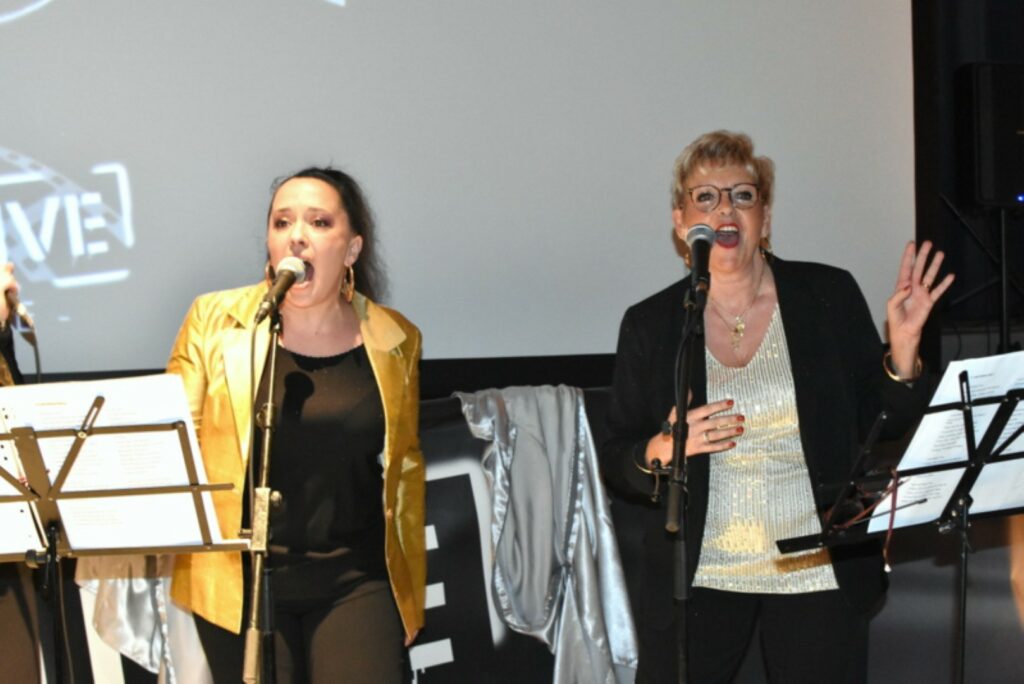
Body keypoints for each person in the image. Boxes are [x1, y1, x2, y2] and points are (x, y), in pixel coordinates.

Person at [600, 131, 954, 683]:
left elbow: (881, 423)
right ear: (681, 222)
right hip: (701, 573)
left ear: (764, 219)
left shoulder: (827, 295)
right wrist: (663, 449)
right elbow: (617, 457)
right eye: (705, 197)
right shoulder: (652, 324)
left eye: (742, 195)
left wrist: (904, 353)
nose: (725, 209)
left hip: (816, 565)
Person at [167, 167, 425, 682]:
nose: (297, 236)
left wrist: (410, 589)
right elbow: (175, 447)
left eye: (319, 222)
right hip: (241, 586)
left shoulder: (396, 339)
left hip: (356, 580)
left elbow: (406, 471)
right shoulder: (214, 322)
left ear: (351, 250)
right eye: (282, 222)